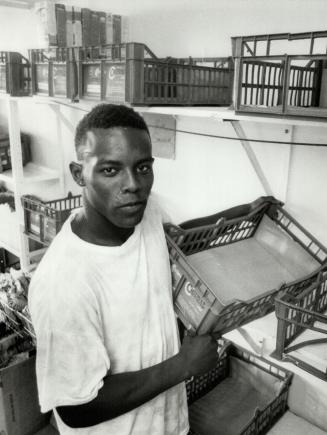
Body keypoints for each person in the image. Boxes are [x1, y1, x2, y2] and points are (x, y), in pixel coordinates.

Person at [28, 103, 219, 435]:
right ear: (78, 175)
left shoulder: (147, 213)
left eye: (143, 167)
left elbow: (176, 240)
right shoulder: (63, 282)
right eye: (110, 170)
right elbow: (76, 408)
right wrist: (183, 365)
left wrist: (240, 213)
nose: (133, 184)